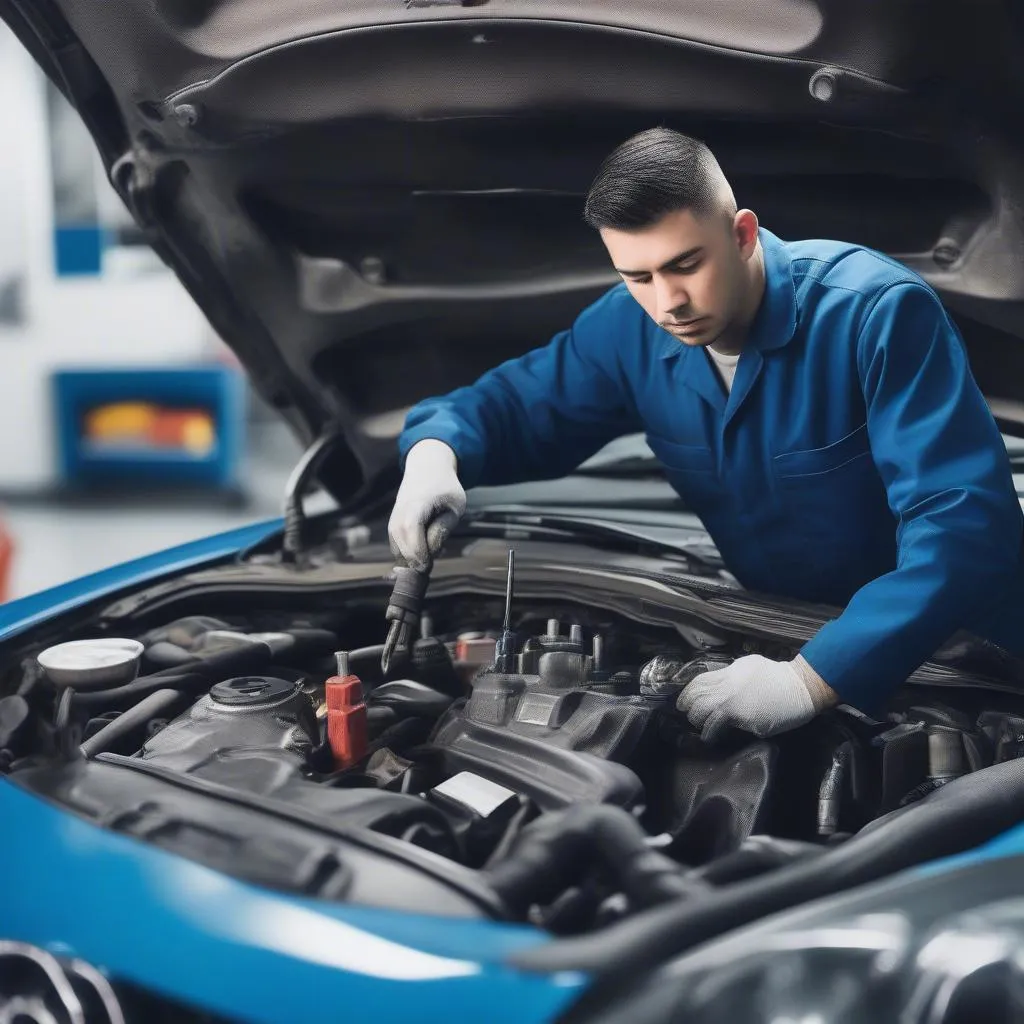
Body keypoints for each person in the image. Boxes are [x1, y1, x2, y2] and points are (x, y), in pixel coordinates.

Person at [387, 127, 1024, 741]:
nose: (668, 303)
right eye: (637, 278)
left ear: (742, 233)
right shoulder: (625, 330)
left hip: (969, 662)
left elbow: (962, 527)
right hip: (775, 637)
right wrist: (434, 456)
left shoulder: (873, 313)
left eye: (686, 264)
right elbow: (508, 407)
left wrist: (812, 680)